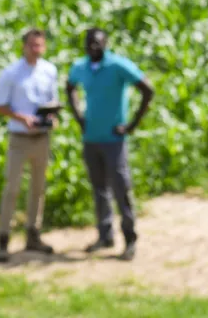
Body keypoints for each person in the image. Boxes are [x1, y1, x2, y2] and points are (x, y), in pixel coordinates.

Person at [66, 27, 154, 262]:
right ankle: (105, 235)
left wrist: (131, 125)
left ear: (106, 44)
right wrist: (79, 117)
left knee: (121, 189)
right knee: (99, 189)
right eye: (89, 43)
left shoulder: (118, 65)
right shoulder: (81, 67)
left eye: (98, 43)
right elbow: (70, 86)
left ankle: (130, 238)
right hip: (91, 138)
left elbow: (147, 89)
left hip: (114, 140)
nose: (93, 47)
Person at [0, 28, 59, 263]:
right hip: (19, 138)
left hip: (41, 138)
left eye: (40, 45)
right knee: (12, 189)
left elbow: (52, 100)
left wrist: (52, 117)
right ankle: (4, 239)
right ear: (24, 46)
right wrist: (22, 118)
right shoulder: (11, 73)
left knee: (38, 189)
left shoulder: (49, 70)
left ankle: (33, 234)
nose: (36, 50)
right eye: (32, 45)